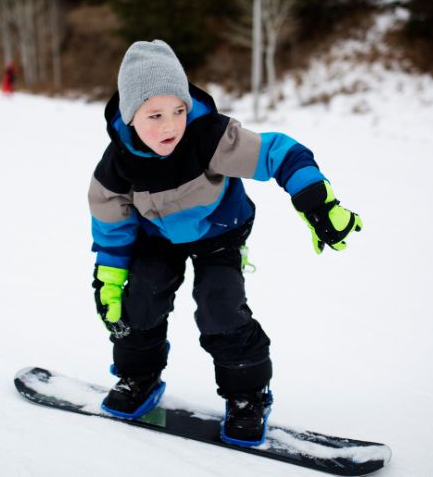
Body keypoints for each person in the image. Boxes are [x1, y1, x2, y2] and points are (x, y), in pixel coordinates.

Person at [88, 40, 362, 446]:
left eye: (179, 111)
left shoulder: (210, 138)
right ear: (130, 116)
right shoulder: (117, 167)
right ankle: (139, 376)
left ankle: (248, 396)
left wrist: (315, 198)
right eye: (155, 115)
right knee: (140, 301)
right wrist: (109, 281)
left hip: (219, 232)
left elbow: (279, 152)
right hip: (158, 238)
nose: (170, 125)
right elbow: (112, 229)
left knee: (220, 306)